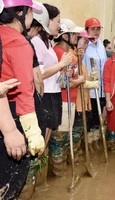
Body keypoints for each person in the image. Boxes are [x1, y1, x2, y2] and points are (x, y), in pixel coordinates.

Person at [0, 0, 45, 198]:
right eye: (29, 12)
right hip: (12, 112)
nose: (31, 18)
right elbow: (25, 90)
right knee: (10, 183)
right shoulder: (18, 42)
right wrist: (32, 130)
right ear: (19, 12)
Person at [31, 3, 72, 176]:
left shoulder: (47, 42)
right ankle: (36, 174)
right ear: (46, 20)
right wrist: (62, 64)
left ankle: (41, 176)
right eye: (57, 21)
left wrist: (65, 72)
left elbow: (53, 71)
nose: (59, 25)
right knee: (42, 136)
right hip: (44, 94)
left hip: (54, 92)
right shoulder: (35, 42)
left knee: (47, 135)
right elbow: (38, 74)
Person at [52, 18, 86, 174]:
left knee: (66, 139)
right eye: (75, 35)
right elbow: (64, 83)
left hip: (70, 100)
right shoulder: (59, 54)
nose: (77, 37)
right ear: (65, 36)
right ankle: (59, 174)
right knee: (61, 140)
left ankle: (63, 174)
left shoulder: (67, 53)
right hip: (63, 101)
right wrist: (80, 80)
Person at [72, 30, 99, 161]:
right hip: (76, 102)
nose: (86, 45)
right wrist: (91, 84)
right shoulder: (72, 57)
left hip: (83, 102)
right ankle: (72, 160)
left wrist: (91, 79)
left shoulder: (80, 60)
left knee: (79, 133)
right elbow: (76, 81)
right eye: (84, 42)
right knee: (75, 134)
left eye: (88, 43)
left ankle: (76, 159)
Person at [82, 17, 107, 153]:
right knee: (90, 118)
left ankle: (96, 140)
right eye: (93, 29)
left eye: (98, 29)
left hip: (101, 88)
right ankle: (88, 143)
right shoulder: (85, 45)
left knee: (99, 117)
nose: (96, 32)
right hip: (90, 88)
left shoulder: (101, 45)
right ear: (87, 30)